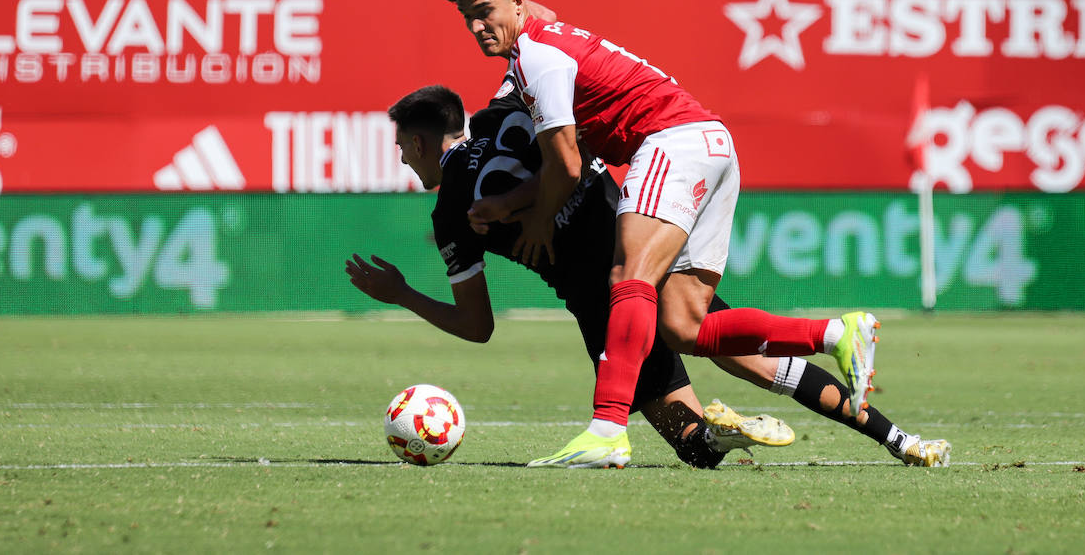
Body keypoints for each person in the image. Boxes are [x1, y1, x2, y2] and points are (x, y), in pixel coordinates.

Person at [435, 0, 951, 469]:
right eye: (466, 17)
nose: (478, 26)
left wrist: (534, 215)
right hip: (707, 144)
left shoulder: (537, 60)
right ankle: (834, 335)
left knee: (627, 276)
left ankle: (607, 429)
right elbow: (534, 20)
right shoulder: (545, 36)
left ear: (517, 2)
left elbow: (567, 166)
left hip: (670, 140)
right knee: (686, 325)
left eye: (485, 11)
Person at [355, 77, 951, 468]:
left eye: (404, 149)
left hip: (601, 300)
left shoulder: (451, 210)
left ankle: (718, 431)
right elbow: (566, 151)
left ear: (419, 138)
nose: (405, 160)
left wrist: (402, 292)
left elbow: (478, 325)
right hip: (644, 247)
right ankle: (899, 439)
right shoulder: (508, 112)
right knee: (753, 356)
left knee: (696, 451)